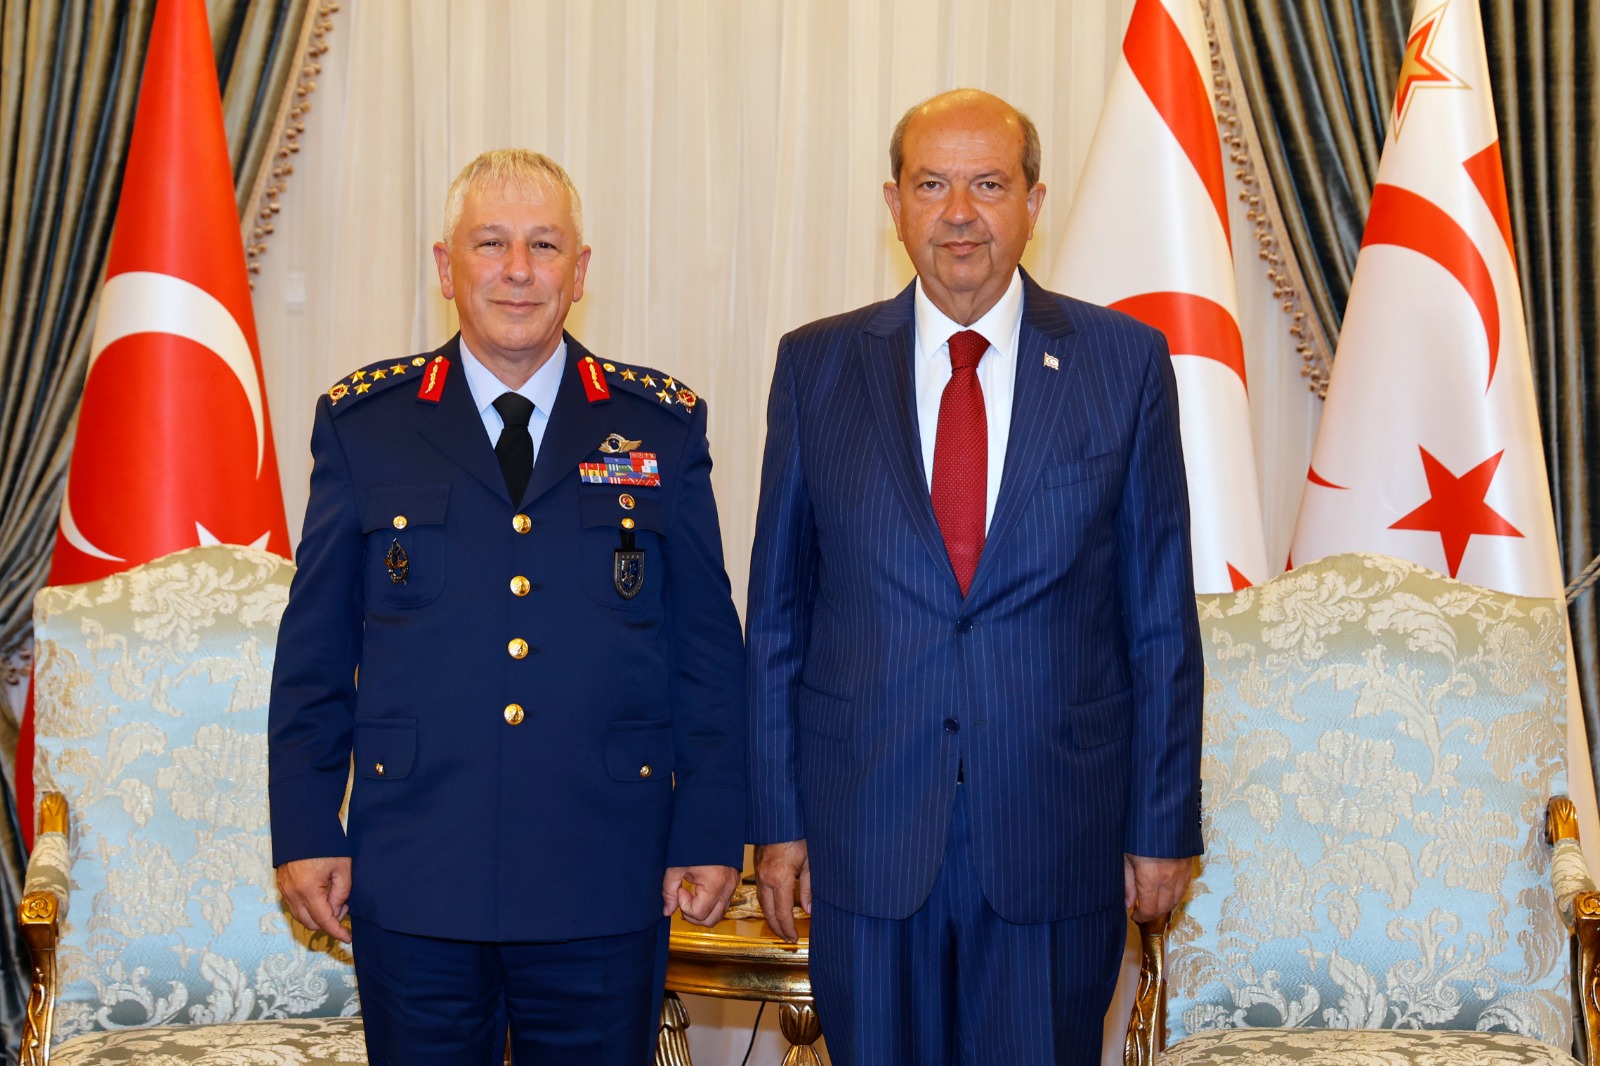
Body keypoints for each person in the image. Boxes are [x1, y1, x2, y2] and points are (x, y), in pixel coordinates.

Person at [747, 89, 1203, 1064]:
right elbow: (778, 616)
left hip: (1055, 833)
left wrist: (1162, 823)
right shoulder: (816, 367)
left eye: (988, 185)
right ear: (894, 203)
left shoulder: (1122, 364)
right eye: (932, 185)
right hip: (867, 831)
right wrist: (776, 819)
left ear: (1033, 202)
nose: (959, 213)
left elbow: (1159, 619)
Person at [268, 149, 746, 1065]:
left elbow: (707, 657)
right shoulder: (367, 425)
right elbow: (314, 657)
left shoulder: (659, 426)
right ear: (446, 267)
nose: (518, 270)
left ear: (581, 270)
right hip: (418, 871)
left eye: (544, 245)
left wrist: (709, 829)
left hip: (604, 870)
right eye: (490, 243)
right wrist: (306, 826)